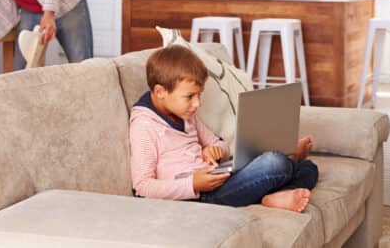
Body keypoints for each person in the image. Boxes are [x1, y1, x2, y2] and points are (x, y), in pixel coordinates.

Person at [129, 44, 318, 212]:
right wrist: (193, 184)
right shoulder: (144, 126)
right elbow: (142, 186)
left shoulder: (185, 114)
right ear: (160, 92)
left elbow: (220, 144)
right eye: (190, 96)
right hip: (199, 196)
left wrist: (215, 150)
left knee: (309, 168)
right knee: (275, 162)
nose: (197, 104)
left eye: (199, 96)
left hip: (216, 176)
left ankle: (277, 194)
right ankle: (286, 168)